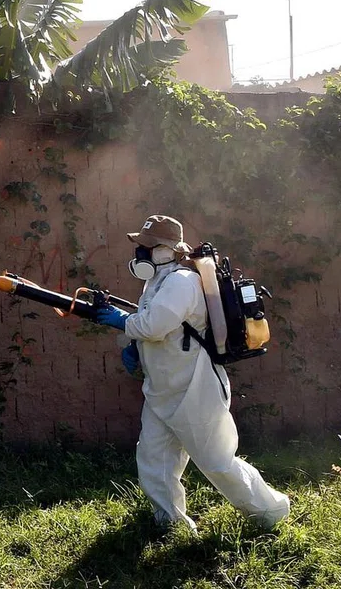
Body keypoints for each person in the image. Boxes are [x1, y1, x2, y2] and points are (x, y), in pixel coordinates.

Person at [95, 214, 290, 532]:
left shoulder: (182, 281)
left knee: (217, 462)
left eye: (147, 247)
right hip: (163, 388)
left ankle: (271, 512)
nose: (140, 253)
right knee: (154, 458)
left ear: (165, 250)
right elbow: (154, 326)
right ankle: (170, 521)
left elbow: (153, 326)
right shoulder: (156, 282)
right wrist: (134, 347)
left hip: (196, 389)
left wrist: (121, 321)